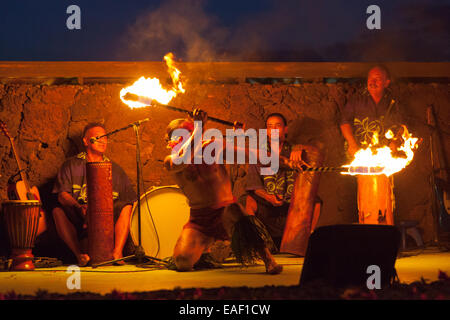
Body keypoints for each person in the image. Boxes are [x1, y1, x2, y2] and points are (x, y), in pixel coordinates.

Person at [163, 109, 283, 274]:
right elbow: (184, 158)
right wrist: (198, 127)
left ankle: (268, 260)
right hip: (200, 219)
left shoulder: (212, 147)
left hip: (226, 212)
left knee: (234, 209)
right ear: (170, 142)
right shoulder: (170, 161)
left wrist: (281, 160)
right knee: (183, 262)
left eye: (189, 134)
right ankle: (206, 249)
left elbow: (249, 155)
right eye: (180, 137)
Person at [52, 122, 137, 266]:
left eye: (105, 138)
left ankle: (117, 252)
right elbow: (62, 195)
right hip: (80, 213)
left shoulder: (115, 169)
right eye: (98, 137)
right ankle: (79, 255)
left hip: (107, 218)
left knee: (127, 206)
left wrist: (103, 211)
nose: (103, 141)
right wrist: (80, 208)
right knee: (57, 211)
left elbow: (131, 199)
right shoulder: (72, 165)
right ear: (86, 141)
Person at [244, 113, 323, 253]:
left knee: (316, 202)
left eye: (278, 126)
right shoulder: (259, 153)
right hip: (268, 205)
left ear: (285, 129)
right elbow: (254, 185)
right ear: (266, 131)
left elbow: (318, 147)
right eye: (270, 127)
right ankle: (258, 243)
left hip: (290, 207)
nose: (273, 130)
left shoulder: (295, 150)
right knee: (248, 201)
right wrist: (269, 197)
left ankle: (308, 238)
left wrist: (300, 147)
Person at [340, 65, 404, 225]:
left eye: (378, 79)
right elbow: (344, 122)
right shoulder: (357, 100)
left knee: (385, 193)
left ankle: (385, 226)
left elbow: (400, 127)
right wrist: (352, 143)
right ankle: (367, 225)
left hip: (384, 155)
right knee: (365, 191)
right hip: (360, 154)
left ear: (386, 82)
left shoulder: (392, 102)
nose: (372, 82)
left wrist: (395, 142)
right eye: (370, 78)